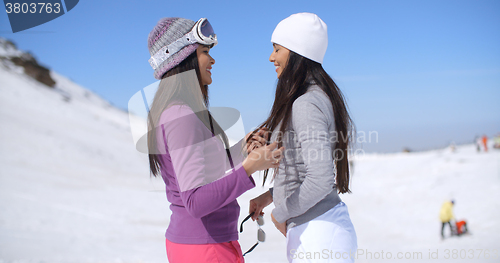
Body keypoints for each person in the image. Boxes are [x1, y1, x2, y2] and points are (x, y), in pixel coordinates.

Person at [145, 17, 284, 262]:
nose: (212, 59)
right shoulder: (181, 115)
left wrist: (244, 147)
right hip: (206, 248)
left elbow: (202, 168)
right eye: (204, 52)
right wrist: (251, 166)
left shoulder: (175, 110)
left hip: (199, 244)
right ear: (183, 58)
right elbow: (196, 201)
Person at [247, 13, 357, 262]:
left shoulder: (306, 103)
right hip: (316, 229)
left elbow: (319, 179)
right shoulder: (315, 96)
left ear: (297, 51)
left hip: (319, 233)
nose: (271, 57)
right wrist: (270, 196)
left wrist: (280, 212)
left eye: (277, 49)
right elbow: (302, 169)